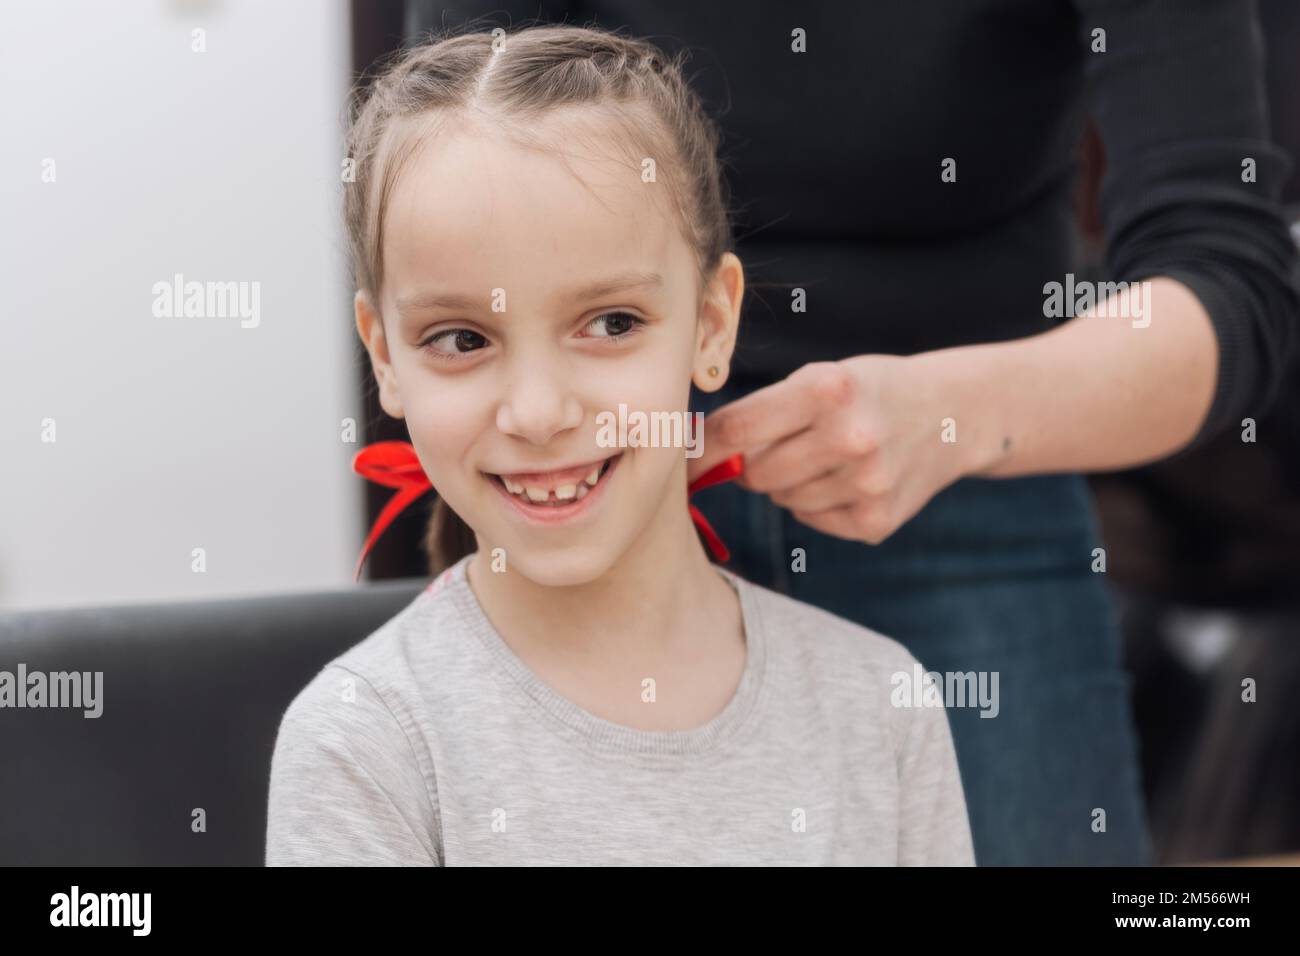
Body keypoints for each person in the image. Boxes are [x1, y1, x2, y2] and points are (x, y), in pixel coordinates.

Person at [404, 0, 1300, 865]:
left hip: (974, 478)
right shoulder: (361, 732)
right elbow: (459, 175)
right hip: (610, 502)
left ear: (718, 318)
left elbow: (1229, 281)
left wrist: (951, 419)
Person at [265, 24, 975, 866]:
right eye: (460, 339)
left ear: (713, 325)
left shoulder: (881, 704)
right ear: (384, 356)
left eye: (611, 323)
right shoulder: (363, 743)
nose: (537, 412)